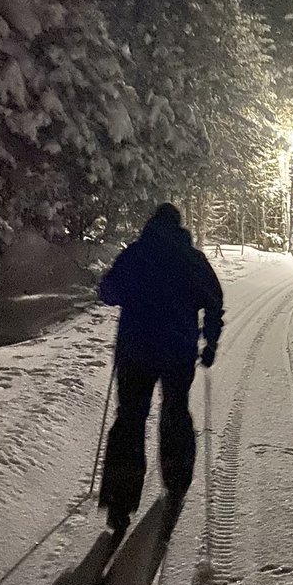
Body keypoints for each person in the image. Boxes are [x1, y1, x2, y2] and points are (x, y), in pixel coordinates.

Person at [97, 203, 224, 537]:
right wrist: (210, 342)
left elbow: (107, 292)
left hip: (135, 350)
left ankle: (120, 503)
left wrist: (126, 293)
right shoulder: (192, 259)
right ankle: (177, 482)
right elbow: (214, 301)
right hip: (177, 351)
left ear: (151, 225)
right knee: (175, 411)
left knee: (130, 419)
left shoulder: (136, 254)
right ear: (179, 227)